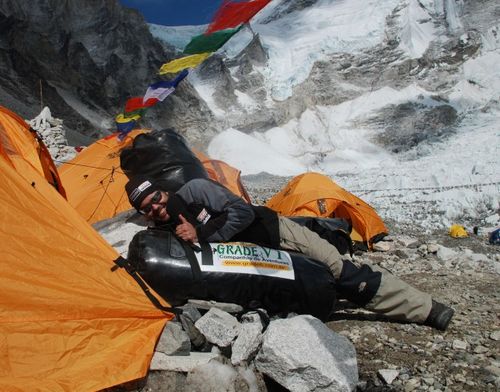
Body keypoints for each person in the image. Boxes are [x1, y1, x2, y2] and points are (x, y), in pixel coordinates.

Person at [125, 176, 454, 330]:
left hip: (276, 233)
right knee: (314, 283)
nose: (156, 208)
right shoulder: (163, 233)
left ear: (163, 191)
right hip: (259, 263)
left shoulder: (196, 191)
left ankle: (423, 308)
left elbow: (242, 213)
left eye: (156, 198)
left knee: (338, 270)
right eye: (147, 208)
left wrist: (202, 234)